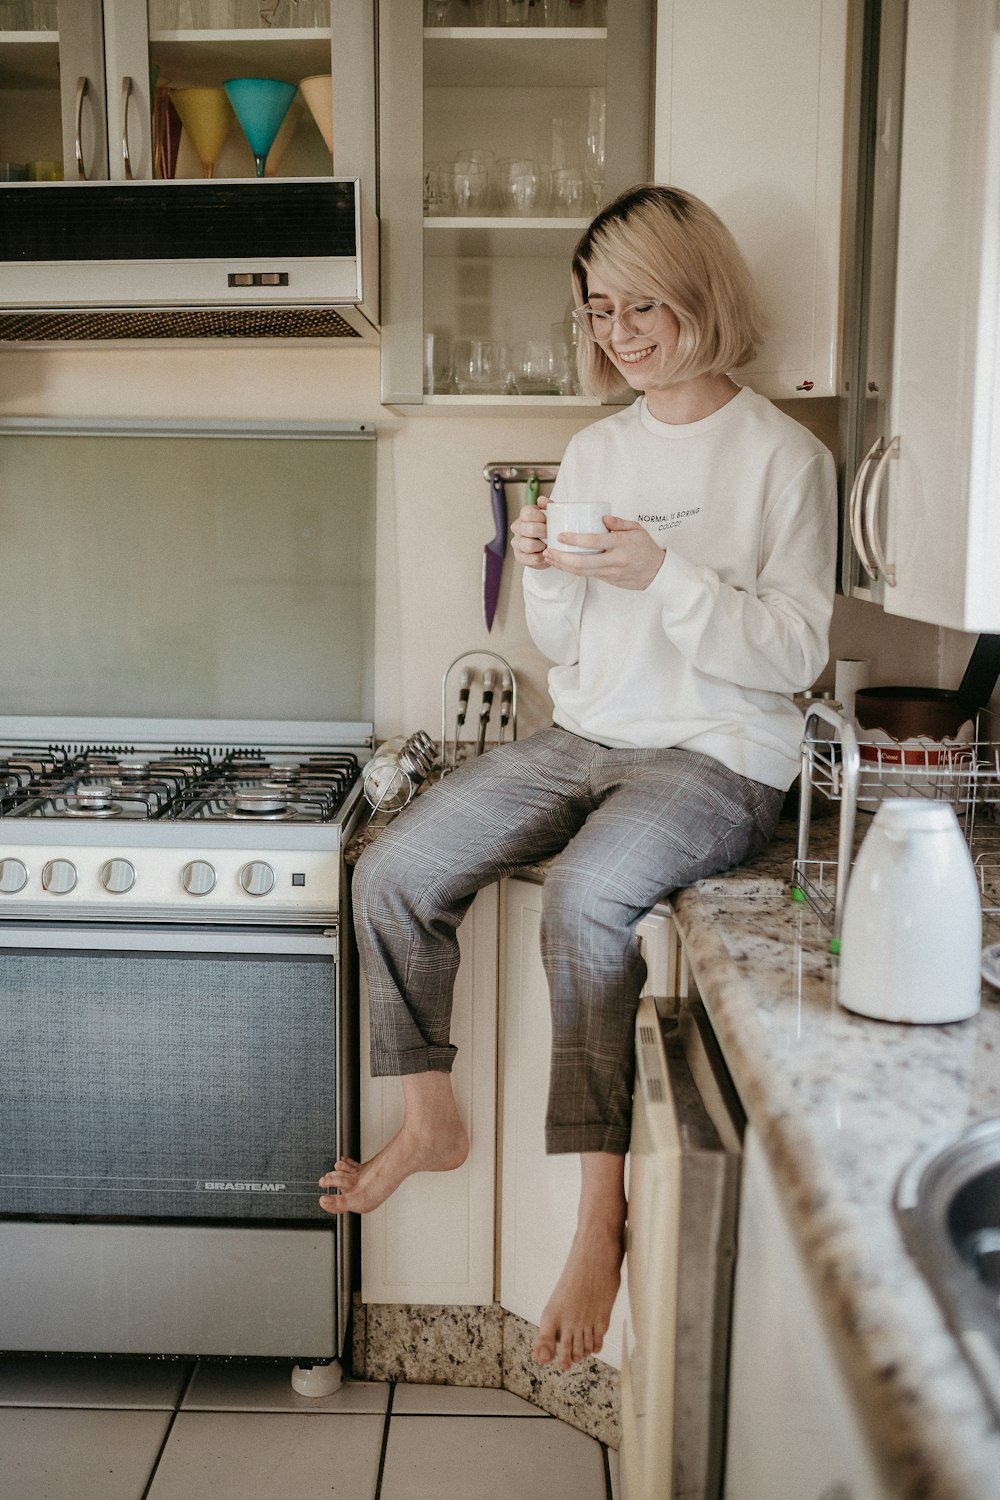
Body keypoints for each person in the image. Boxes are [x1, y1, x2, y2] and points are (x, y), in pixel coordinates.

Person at [319, 183, 837, 1373]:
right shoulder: (599, 444)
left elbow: (796, 653)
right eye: (599, 310)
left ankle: (595, 1216)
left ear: (699, 295)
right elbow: (566, 646)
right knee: (393, 867)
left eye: (641, 303)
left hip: (718, 751)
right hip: (590, 728)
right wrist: (548, 565)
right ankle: (429, 1119)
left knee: (586, 898)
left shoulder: (783, 460)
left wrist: (665, 573)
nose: (618, 332)